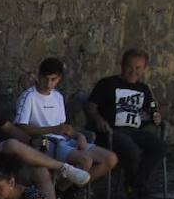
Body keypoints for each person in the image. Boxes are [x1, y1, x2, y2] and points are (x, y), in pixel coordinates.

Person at [14, 57, 118, 187]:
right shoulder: (29, 97)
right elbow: (20, 127)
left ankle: (68, 189)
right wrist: (52, 130)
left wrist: (79, 135)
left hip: (65, 140)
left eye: (53, 79)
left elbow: (63, 128)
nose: (48, 83)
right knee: (85, 161)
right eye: (46, 78)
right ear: (39, 75)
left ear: (59, 79)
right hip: (46, 143)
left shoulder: (58, 97)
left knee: (110, 159)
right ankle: (62, 191)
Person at [86, 48, 167, 199]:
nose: (133, 71)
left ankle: (135, 185)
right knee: (131, 148)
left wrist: (156, 115)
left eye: (138, 68)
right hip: (111, 132)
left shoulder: (143, 88)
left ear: (144, 69)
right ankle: (134, 188)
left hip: (134, 131)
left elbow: (153, 109)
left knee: (160, 146)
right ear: (122, 65)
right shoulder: (107, 84)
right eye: (130, 66)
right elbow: (90, 106)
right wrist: (98, 119)